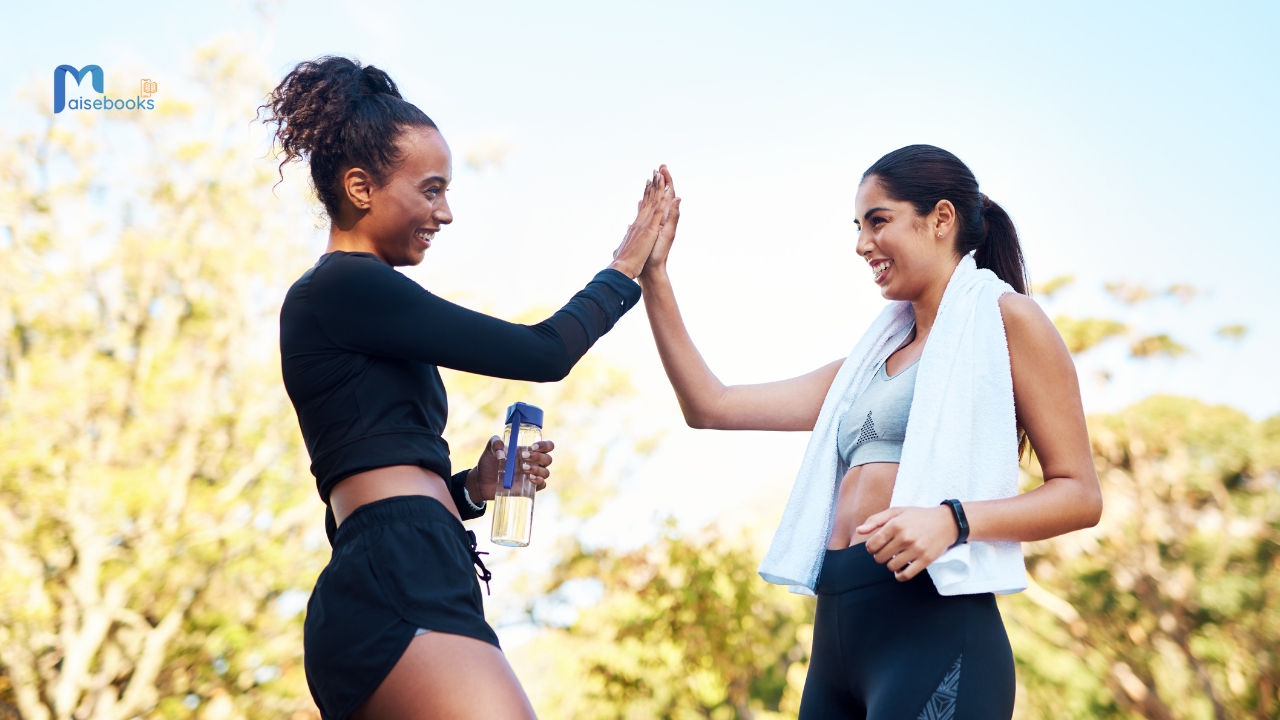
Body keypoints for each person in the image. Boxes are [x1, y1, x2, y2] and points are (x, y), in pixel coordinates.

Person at [262, 56, 673, 720]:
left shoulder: (350, 300)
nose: (445, 212)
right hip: (398, 571)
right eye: (430, 189)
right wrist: (626, 269)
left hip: (414, 559)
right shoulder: (344, 285)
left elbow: (371, 475)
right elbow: (544, 352)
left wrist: (472, 489)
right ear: (361, 187)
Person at [639, 148, 1103, 719]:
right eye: (858, 228)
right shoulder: (863, 367)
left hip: (933, 629)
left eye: (878, 221)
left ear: (940, 219)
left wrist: (952, 519)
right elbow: (710, 405)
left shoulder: (1008, 320)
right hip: (837, 632)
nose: (862, 244)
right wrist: (654, 276)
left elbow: (1080, 494)